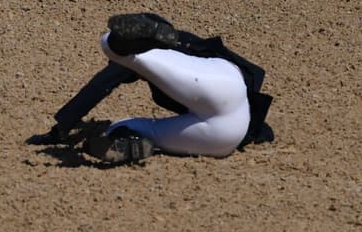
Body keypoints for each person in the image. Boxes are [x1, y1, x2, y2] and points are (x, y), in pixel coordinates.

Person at [39, 13, 274, 165]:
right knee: (123, 55)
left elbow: (103, 82)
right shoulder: (185, 47)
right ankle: (131, 142)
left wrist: (62, 126)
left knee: (122, 57)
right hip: (230, 129)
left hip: (218, 113)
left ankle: (127, 136)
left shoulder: (156, 56)